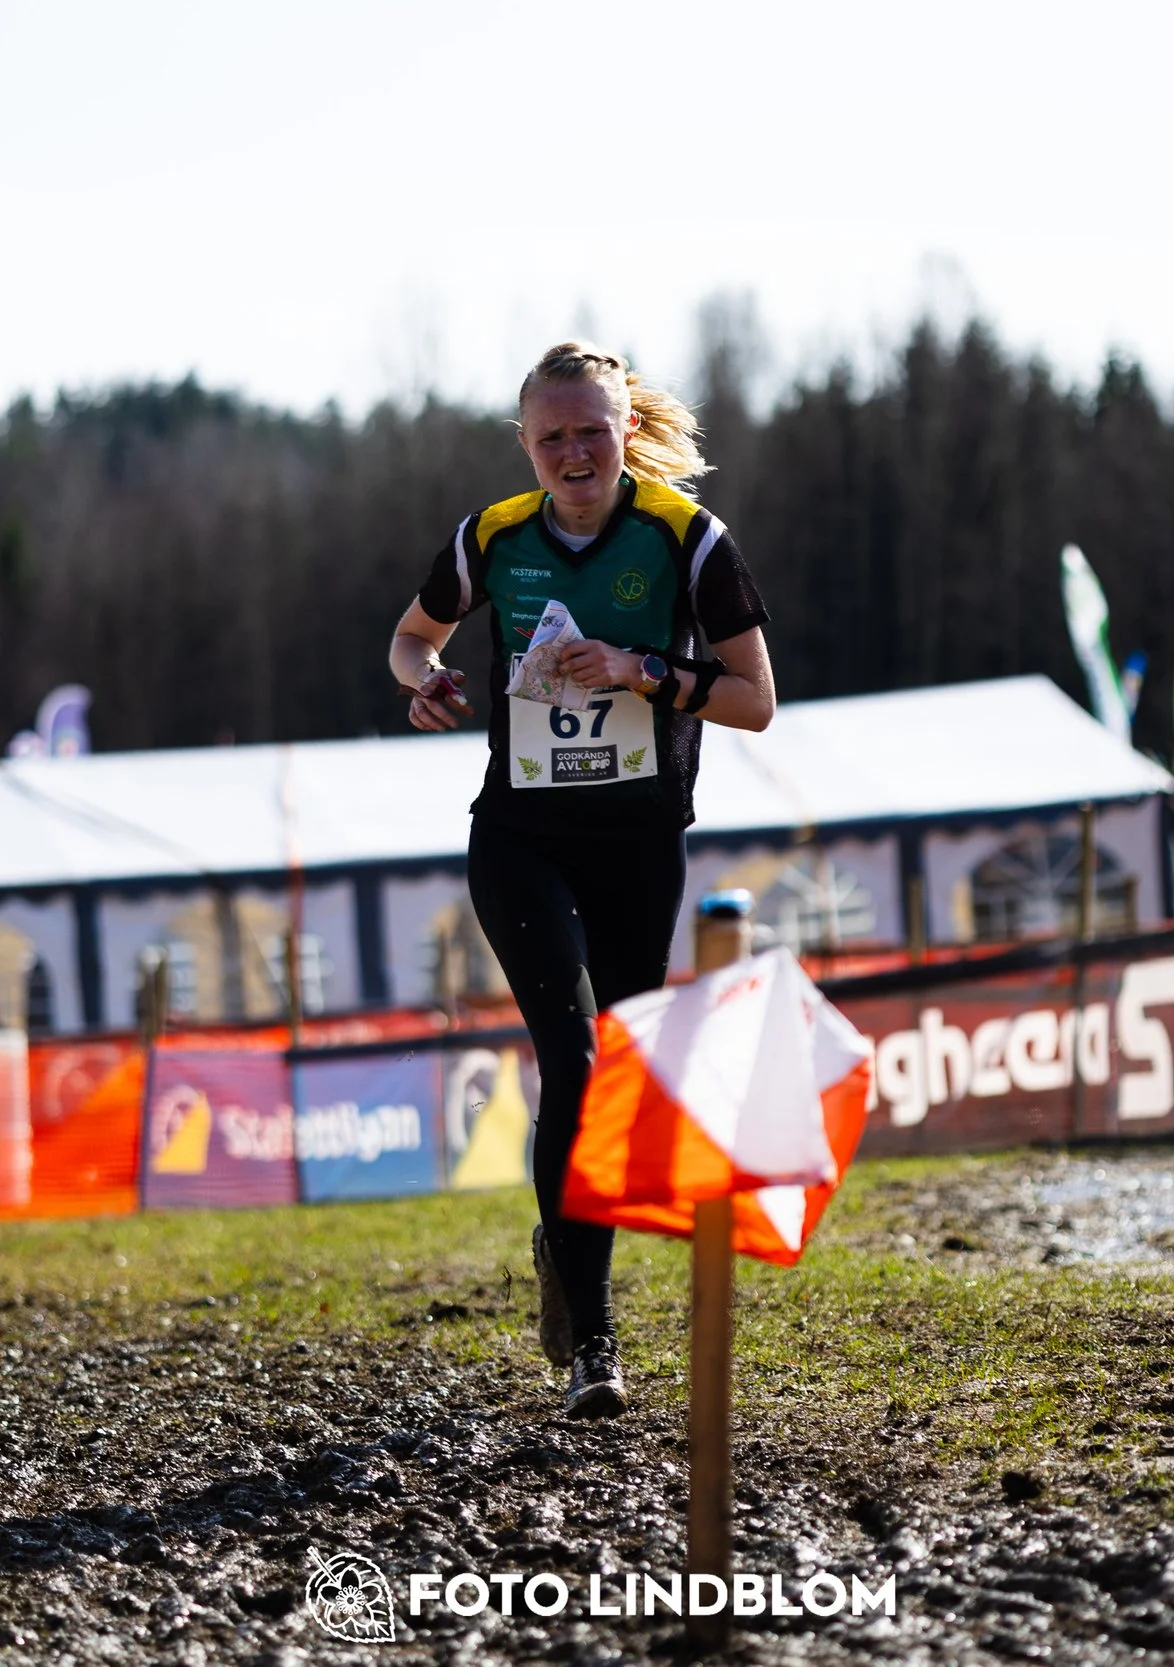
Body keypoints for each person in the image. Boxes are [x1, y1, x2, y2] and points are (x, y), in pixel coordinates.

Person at [387, 342, 775, 1419]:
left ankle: (563, 1248)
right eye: (550, 436)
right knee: (575, 1056)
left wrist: (646, 670)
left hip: (639, 843)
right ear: (524, 443)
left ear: (624, 432)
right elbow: (410, 639)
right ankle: (595, 1348)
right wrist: (424, 681)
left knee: (611, 1084)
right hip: (521, 837)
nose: (572, 454)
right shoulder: (491, 537)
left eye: (591, 432)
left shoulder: (688, 538)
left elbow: (755, 699)